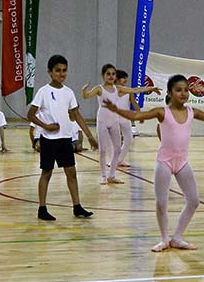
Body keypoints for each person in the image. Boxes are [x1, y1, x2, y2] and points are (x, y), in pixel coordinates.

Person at [103, 74, 204, 251]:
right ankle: (164, 239)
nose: (183, 93)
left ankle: (177, 237)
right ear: (170, 93)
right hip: (164, 162)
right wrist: (116, 110)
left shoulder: (192, 111)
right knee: (161, 203)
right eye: (179, 90)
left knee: (194, 201)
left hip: (182, 162)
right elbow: (137, 114)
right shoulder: (162, 111)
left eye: (186, 90)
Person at [27, 54, 99, 221]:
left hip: (65, 139)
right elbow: (31, 114)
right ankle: (42, 208)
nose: (61, 74)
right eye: (58, 70)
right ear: (50, 72)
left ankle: (77, 206)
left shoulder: (69, 92)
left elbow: (76, 114)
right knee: (46, 173)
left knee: (71, 173)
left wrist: (89, 135)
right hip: (49, 140)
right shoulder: (43, 92)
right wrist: (46, 126)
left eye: (64, 70)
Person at [82, 64, 157, 185]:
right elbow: (86, 96)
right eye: (108, 74)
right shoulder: (99, 88)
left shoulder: (118, 88)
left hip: (114, 120)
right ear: (103, 75)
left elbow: (134, 90)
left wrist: (150, 88)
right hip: (102, 120)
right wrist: (84, 90)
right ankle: (103, 175)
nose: (111, 76)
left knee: (117, 148)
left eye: (113, 74)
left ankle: (112, 175)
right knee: (103, 149)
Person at [115, 70, 140, 167]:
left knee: (129, 139)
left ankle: (120, 159)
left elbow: (134, 103)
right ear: (117, 79)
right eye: (123, 78)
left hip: (125, 118)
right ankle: (113, 160)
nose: (125, 80)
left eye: (126, 78)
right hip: (114, 117)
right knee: (116, 140)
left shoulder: (129, 91)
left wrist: (140, 113)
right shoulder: (112, 90)